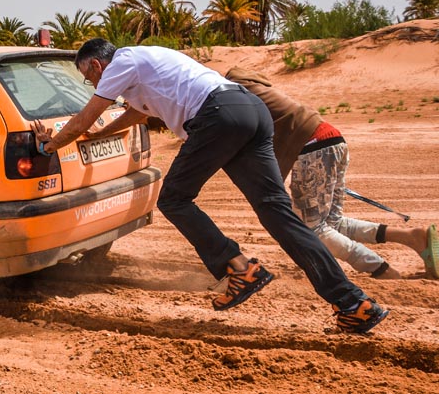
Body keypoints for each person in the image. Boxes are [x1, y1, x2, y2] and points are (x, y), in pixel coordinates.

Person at [31, 39, 388, 334]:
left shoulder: (122, 62)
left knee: (173, 199)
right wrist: (96, 134)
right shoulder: (142, 69)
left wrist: (49, 145)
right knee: (280, 217)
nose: (92, 85)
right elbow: (137, 114)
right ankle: (354, 303)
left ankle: (239, 268)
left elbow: (84, 116)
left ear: (96, 65)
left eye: (88, 78)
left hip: (218, 116)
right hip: (250, 110)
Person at [224, 67, 438, 280]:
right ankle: (412, 237)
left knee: (311, 228)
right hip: (331, 139)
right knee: (331, 223)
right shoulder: (251, 84)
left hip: (312, 147)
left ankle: (380, 269)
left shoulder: (233, 95)